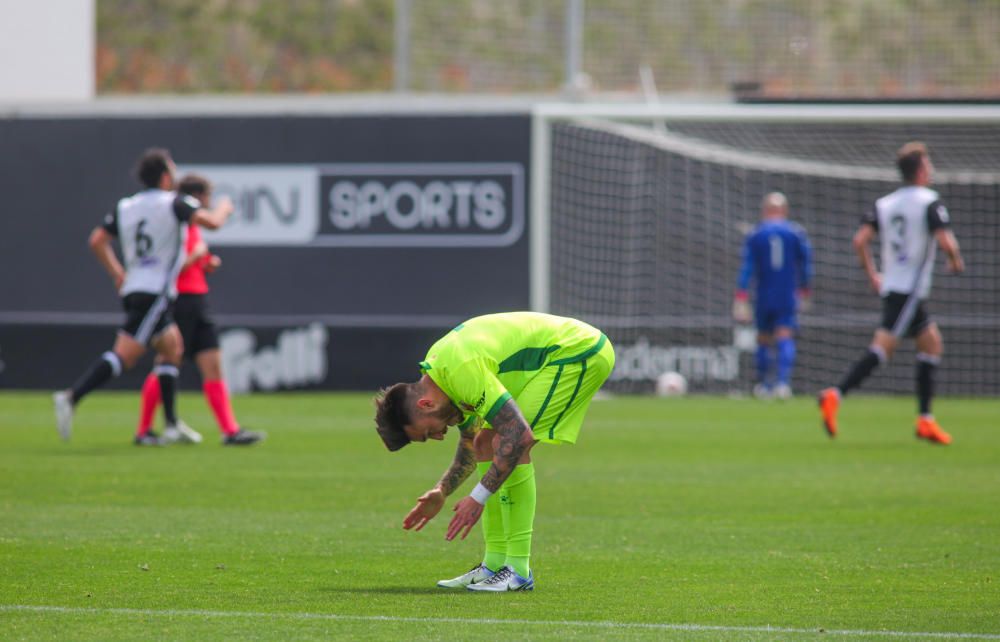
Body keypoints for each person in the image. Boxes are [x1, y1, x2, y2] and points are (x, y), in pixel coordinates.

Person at [373, 312, 615, 592]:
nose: (439, 436)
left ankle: (519, 571)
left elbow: (519, 437)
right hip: (549, 359)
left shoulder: (461, 369)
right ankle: (494, 564)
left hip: (578, 351)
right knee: (485, 443)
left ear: (426, 405)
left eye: (429, 432)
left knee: (508, 442)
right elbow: (472, 441)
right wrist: (443, 490)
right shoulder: (441, 376)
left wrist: (478, 498)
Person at [53, 149, 232, 444]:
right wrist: (225, 208)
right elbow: (212, 222)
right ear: (164, 176)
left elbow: (97, 240)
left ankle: (171, 426)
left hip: (137, 286)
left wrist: (117, 272)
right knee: (125, 356)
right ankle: (72, 397)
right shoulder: (176, 202)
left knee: (173, 348)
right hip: (156, 292)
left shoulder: (127, 206)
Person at [818, 142, 964, 444]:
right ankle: (835, 395)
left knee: (931, 344)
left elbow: (860, 240)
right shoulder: (929, 201)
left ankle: (925, 420)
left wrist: (873, 275)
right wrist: (955, 261)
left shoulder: (885, 203)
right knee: (882, 349)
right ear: (922, 170)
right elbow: (947, 241)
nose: (932, 170)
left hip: (893, 286)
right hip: (909, 290)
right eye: (929, 164)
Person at [134, 174, 265, 447]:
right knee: (166, 364)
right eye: (207, 197)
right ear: (198, 197)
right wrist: (221, 216)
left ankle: (230, 431)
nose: (209, 202)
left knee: (212, 364)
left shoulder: (190, 225)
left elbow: (192, 258)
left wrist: (205, 262)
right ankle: (144, 429)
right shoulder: (177, 222)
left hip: (197, 300)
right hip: (180, 300)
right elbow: (172, 266)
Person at [733, 192, 813, 399]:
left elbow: (747, 267)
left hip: (764, 293)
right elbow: (805, 264)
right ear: (784, 211)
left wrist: (741, 295)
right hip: (787, 293)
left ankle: (763, 386)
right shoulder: (795, 233)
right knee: (785, 335)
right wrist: (805, 289)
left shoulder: (756, 233)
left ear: (765, 211)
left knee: (763, 339)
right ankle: (782, 385)